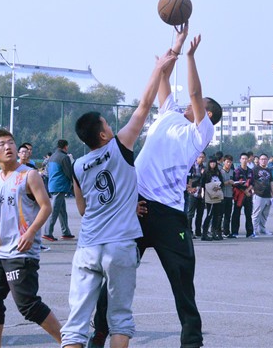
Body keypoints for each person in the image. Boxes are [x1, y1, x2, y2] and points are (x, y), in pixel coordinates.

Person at [89, 22, 222, 348]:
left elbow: (194, 93)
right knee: (115, 275)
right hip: (136, 207)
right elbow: (163, 77)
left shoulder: (201, 132)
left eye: (199, 105)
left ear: (206, 114)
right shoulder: (169, 113)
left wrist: (190, 57)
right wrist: (176, 45)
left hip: (168, 214)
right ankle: (99, 332)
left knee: (182, 285)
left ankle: (192, 342)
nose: (191, 103)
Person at [61, 49, 177, 348]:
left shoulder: (77, 165)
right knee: (120, 320)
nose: (113, 128)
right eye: (107, 125)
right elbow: (144, 105)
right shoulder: (119, 147)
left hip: (88, 246)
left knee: (75, 325)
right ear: (102, 135)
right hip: (119, 244)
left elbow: (84, 209)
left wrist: (120, 205)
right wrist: (160, 67)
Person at [0, 129, 62, 347]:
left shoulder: (29, 175)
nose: (8, 147)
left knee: (28, 305)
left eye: (11, 143)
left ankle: (70, 343)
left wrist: (31, 232)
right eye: (2, 144)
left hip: (21, 251)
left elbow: (46, 206)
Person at [43, 139, 75, 241]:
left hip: (53, 185)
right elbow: (69, 172)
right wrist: (74, 183)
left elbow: (47, 172)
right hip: (60, 186)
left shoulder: (52, 157)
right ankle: (48, 232)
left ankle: (66, 232)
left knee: (62, 211)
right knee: (55, 210)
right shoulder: (64, 157)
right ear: (65, 146)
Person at [250, 153, 273, 238]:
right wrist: (252, 190)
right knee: (256, 213)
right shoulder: (255, 169)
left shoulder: (269, 170)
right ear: (259, 160)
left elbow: (271, 182)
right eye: (262, 159)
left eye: (265, 159)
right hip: (259, 194)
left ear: (267, 160)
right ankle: (253, 230)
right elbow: (251, 181)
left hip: (268, 195)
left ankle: (262, 229)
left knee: (265, 214)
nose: (263, 161)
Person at [230, 152, 254, 238]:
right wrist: (244, 191)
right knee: (236, 214)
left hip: (248, 196)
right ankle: (234, 232)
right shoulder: (237, 171)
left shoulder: (250, 171)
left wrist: (248, 190)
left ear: (248, 160)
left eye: (246, 159)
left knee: (248, 214)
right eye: (243, 159)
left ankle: (250, 232)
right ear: (240, 160)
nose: (244, 160)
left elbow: (252, 182)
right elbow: (235, 184)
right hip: (239, 195)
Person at [201, 156, 224, 241]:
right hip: (209, 195)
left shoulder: (218, 172)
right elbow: (202, 184)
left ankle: (214, 232)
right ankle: (204, 234)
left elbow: (222, 182)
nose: (213, 164)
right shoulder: (206, 172)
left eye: (214, 162)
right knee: (209, 214)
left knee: (216, 215)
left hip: (217, 194)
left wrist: (218, 186)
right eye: (211, 162)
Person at [186, 152, 206, 238]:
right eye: (200, 157)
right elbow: (189, 179)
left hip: (201, 192)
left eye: (203, 157)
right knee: (190, 213)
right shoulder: (191, 167)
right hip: (193, 192)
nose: (201, 159)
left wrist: (204, 174)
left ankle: (198, 231)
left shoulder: (204, 168)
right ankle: (189, 231)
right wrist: (190, 188)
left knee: (200, 213)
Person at [220, 154, 235, 237]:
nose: (229, 164)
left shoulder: (233, 171)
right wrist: (227, 182)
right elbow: (218, 184)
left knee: (228, 214)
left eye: (230, 162)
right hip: (221, 196)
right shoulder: (220, 172)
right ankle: (218, 231)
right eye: (227, 162)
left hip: (229, 195)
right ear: (223, 162)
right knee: (220, 215)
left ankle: (226, 231)